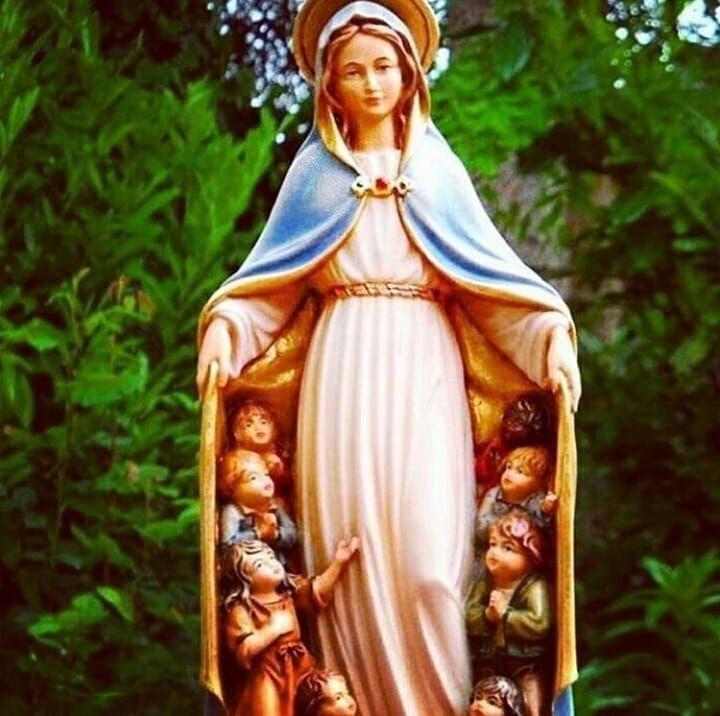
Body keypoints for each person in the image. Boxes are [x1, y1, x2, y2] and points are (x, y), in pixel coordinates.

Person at [196, 1, 580, 713]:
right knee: (349, 559)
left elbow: (493, 286)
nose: (371, 84)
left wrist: (548, 334)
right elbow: (267, 291)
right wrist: (226, 328)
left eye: (383, 67)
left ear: (409, 75)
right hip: (340, 375)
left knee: (432, 570)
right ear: (329, 84)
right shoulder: (314, 177)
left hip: (424, 369)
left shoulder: (436, 171)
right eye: (353, 71)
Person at [221, 538, 359, 716]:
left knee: (330, 694)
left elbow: (317, 591)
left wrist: (339, 561)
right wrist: (272, 630)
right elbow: (243, 652)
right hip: (269, 675)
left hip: (300, 667)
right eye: (260, 564)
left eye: (271, 557)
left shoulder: (288, 592)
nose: (272, 565)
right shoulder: (241, 610)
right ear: (244, 578)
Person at [466, 512, 551, 716]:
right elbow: (470, 616)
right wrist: (487, 616)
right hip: (489, 660)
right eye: (492, 544)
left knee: (531, 706)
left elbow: (539, 622)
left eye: (507, 548)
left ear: (531, 557)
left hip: (524, 664)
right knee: (483, 702)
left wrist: (505, 615)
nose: (495, 552)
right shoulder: (484, 585)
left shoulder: (535, 587)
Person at [217, 448, 298, 561]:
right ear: (232, 488)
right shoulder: (233, 511)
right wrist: (258, 534)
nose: (264, 480)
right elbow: (227, 547)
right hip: (249, 567)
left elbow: (293, 535)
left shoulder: (275, 504)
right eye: (253, 477)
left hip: (277, 564)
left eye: (266, 474)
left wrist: (276, 535)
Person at [476, 446, 557, 543]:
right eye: (509, 467)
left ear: (537, 484)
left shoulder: (534, 500)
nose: (509, 473)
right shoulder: (493, 494)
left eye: (520, 471)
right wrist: (501, 528)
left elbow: (542, 526)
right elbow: (481, 525)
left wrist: (546, 509)